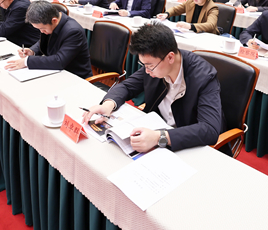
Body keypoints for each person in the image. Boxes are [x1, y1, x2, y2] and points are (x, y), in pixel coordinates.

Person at [81, 23, 223, 153]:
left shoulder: (205, 77)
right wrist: (108, 105)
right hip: (154, 131)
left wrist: (159, 137)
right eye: (143, 65)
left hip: (185, 144)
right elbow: (127, 86)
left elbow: (209, 129)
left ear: (170, 58)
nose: (147, 71)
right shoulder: (155, 64)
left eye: (149, 66)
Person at [4, 1, 93, 78]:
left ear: (54, 20)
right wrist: (32, 51)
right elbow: (43, 41)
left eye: (42, 29)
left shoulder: (73, 31)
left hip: (75, 76)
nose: (41, 32)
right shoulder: (50, 23)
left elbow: (59, 61)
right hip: (56, 72)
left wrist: (27, 61)